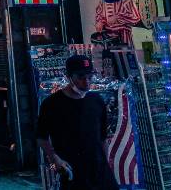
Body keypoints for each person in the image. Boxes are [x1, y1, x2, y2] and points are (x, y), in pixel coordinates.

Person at [36, 54, 116, 189]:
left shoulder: (96, 100)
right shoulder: (52, 104)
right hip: (72, 170)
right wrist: (55, 158)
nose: (87, 82)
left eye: (89, 77)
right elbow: (41, 137)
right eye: (81, 77)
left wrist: (105, 163)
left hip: (99, 170)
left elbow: (103, 138)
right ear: (69, 77)